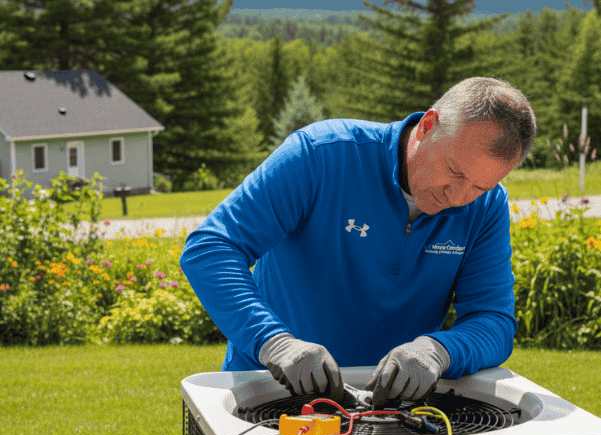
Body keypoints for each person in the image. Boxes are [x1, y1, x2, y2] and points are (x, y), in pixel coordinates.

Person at [180, 77, 536, 407]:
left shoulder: (487, 207)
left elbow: (493, 319)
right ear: (427, 126)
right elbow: (211, 249)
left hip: (387, 406)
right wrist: (276, 343)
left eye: (479, 186)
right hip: (269, 387)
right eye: (456, 172)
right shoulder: (321, 154)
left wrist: (438, 350)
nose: (458, 197)